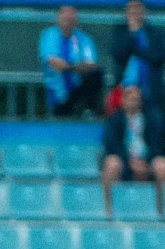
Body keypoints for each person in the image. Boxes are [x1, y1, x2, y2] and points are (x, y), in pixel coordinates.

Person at [103, 83, 165, 219]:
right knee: (111, 164)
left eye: (136, 99)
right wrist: (129, 162)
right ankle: (110, 211)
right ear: (123, 100)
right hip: (124, 162)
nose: (133, 102)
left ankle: (161, 210)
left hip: (147, 162)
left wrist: (145, 162)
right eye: (130, 98)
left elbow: (158, 144)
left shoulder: (152, 118)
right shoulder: (115, 119)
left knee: (162, 166)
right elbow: (112, 145)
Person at [43, 4, 103, 117]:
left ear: (76, 20)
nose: (68, 21)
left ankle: (89, 112)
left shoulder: (84, 39)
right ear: (58, 18)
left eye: (71, 18)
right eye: (65, 18)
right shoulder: (49, 35)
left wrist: (69, 67)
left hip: (77, 86)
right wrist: (75, 67)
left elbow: (92, 65)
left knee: (96, 75)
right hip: (58, 90)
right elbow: (53, 62)